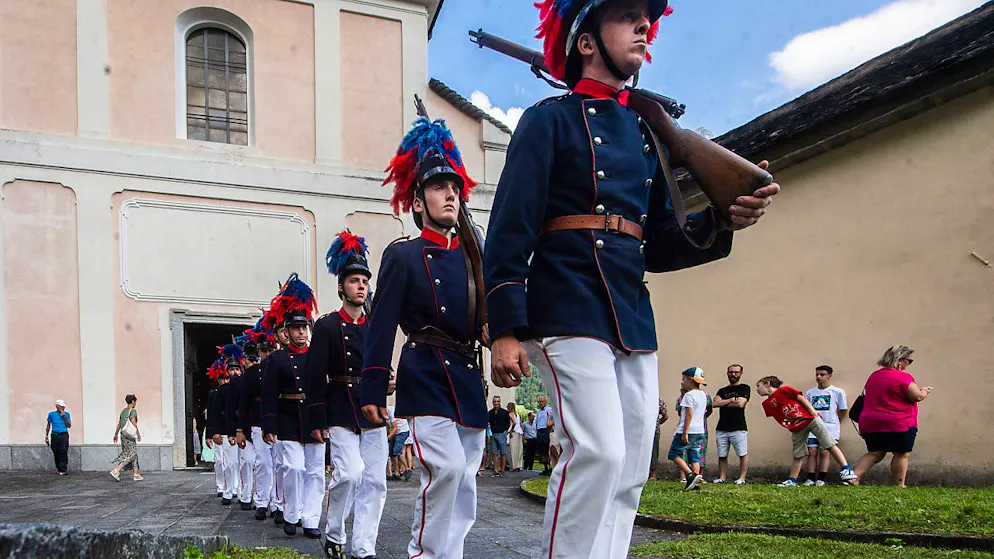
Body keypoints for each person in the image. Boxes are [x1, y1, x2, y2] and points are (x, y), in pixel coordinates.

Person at [483, 1, 780, 556]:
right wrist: (504, 327)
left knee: (633, 461)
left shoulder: (648, 136)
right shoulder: (547, 120)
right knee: (598, 452)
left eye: (646, 17)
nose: (645, 25)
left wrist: (721, 218)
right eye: (625, 15)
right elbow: (509, 228)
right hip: (565, 300)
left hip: (630, 312)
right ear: (586, 42)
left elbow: (660, 240)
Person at [361, 116, 488, 559]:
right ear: (418, 201)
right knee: (446, 469)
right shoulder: (404, 255)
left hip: (467, 375)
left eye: (455, 187)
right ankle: (425, 554)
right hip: (427, 373)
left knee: (466, 480)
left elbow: (486, 317)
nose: (450, 193)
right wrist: (372, 387)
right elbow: (381, 325)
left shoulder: (474, 259)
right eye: (438, 187)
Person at [305, 230, 389, 559]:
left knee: (376, 482)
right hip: (340, 407)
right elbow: (314, 375)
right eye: (354, 281)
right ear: (341, 287)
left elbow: (382, 366)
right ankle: (335, 532)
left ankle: (364, 547)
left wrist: (388, 383)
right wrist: (316, 418)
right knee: (350, 474)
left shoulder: (374, 327)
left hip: (373, 410)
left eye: (364, 281)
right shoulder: (326, 326)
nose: (361, 286)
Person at [261, 274, 324, 538]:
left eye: (304, 328)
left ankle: (310, 519)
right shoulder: (276, 360)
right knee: (294, 468)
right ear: (287, 331)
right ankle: (291, 513)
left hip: (313, 418)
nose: (301, 332)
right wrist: (269, 424)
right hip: (287, 419)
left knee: (315, 472)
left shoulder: (317, 356)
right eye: (296, 328)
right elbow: (268, 394)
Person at [851, 346, 931, 487]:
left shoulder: (874, 376)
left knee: (875, 452)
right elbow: (916, 396)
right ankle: (899, 484)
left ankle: (853, 477)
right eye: (909, 361)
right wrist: (924, 391)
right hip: (898, 423)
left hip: (871, 423)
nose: (908, 364)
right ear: (899, 361)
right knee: (901, 453)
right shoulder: (903, 377)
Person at [755, 376, 857, 487]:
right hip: (797, 428)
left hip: (810, 420)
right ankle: (792, 480)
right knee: (798, 454)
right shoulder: (766, 404)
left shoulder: (784, 390)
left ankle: (847, 470)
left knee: (829, 444)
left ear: (767, 383)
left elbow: (801, 398)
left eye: (758, 386)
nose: (757, 389)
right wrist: (790, 426)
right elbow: (780, 416)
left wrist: (814, 414)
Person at [237, 316, 280, 521]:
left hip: (280, 422)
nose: (267, 353)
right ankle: (262, 501)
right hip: (257, 421)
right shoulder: (253, 372)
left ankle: (277, 503)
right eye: (264, 350)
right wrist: (240, 430)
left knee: (280, 464)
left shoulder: (281, 366)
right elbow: (243, 402)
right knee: (263, 463)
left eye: (271, 349)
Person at [804, 365, 848, 486]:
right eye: (817, 374)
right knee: (812, 451)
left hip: (830, 427)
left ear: (829, 376)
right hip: (813, 426)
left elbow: (843, 410)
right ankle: (810, 478)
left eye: (822, 374)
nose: (819, 377)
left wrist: (836, 420)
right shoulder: (810, 393)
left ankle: (821, 478)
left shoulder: (837, 392)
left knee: (825, 451)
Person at [668, 368, 708, 491]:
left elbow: (688, 414)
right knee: (694, 455)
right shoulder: (703, 395)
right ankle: (696, 483)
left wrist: (684, 433)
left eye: (684, 379)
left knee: (674, 453)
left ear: (690, 380)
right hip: (699, 431)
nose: (682, 382)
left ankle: (690, 475)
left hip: (687, 430)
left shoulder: (689, 395)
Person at [712, 364, 750, 485]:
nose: (733, 374)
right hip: (722, 427)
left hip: (738, 427)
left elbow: (740, 404)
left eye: (736, 372)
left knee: (742, 454)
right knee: (722, 455)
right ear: (727, 373)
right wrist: (730, 400)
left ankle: (742, 478)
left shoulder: (744, 388)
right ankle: (722, 478)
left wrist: (723, 402)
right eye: (731, 372)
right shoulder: (722, 390)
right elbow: (714, 404)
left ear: (741, 373)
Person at [110, 394, 142, 482]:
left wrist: (116, 434)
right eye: (135, 402)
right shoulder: (133, 410)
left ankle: (136, 474)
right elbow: (133, 421)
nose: (135, 403)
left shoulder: (123, 411)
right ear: (133, 401)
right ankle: (117, 470)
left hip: (123, 435)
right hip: (129, 435)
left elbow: (119, 423)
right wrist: (138, 432)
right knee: (131, 454)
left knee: (133, 453)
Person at [45, 400, 72, 476]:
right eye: (61, 406)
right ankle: (59, 468)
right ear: (57, 406)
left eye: (63, 406)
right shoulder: (51, 414)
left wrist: (64, 417)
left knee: (63, 451)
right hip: (55, 434)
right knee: (55, 451)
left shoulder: (67, 414)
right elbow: (48, 425)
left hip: (63, 434)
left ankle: (63, 469)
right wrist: (46, 436)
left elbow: (69, 425)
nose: (63, 408)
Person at [488, 396, 511, 477]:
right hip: (493, 434)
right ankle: (496, 470)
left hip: (501, 433)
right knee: (494, 452)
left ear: (500, 402)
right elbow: (488, 423)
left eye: (497, 401)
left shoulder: (504, 412)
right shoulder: (490, 412)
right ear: (492, 402)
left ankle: (502, 470)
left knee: (503, 453)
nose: (496, 403)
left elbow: (508, 423)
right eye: (494, 401)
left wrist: (505, 432)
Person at [647, 399, 668, 480]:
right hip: (641, 431)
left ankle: (653, 473)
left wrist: (657, 424)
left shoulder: (658, 400)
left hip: (654, 431)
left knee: (654, 452)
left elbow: (665, 416)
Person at [534, 396, 554, 475]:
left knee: (547, 449)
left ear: (546, 402)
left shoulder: (550, 410)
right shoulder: (539, 411)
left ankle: (550, 467)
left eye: (542, 401)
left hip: (546, 430)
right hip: (540, 431)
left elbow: (553, 419)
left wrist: (551, 429)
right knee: (542, 450)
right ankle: (545, 467)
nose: (541, 403)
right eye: (540, 401)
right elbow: (537, 422)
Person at [507, 402, 524, 472]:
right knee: (519, 450)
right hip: (520, 432)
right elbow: (521, 424)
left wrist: (511, 430)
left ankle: (514, 466)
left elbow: (514, 422)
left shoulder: (510, 414)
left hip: (514, 432)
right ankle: (518, 465)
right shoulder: (517, 415)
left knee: (513, 450)